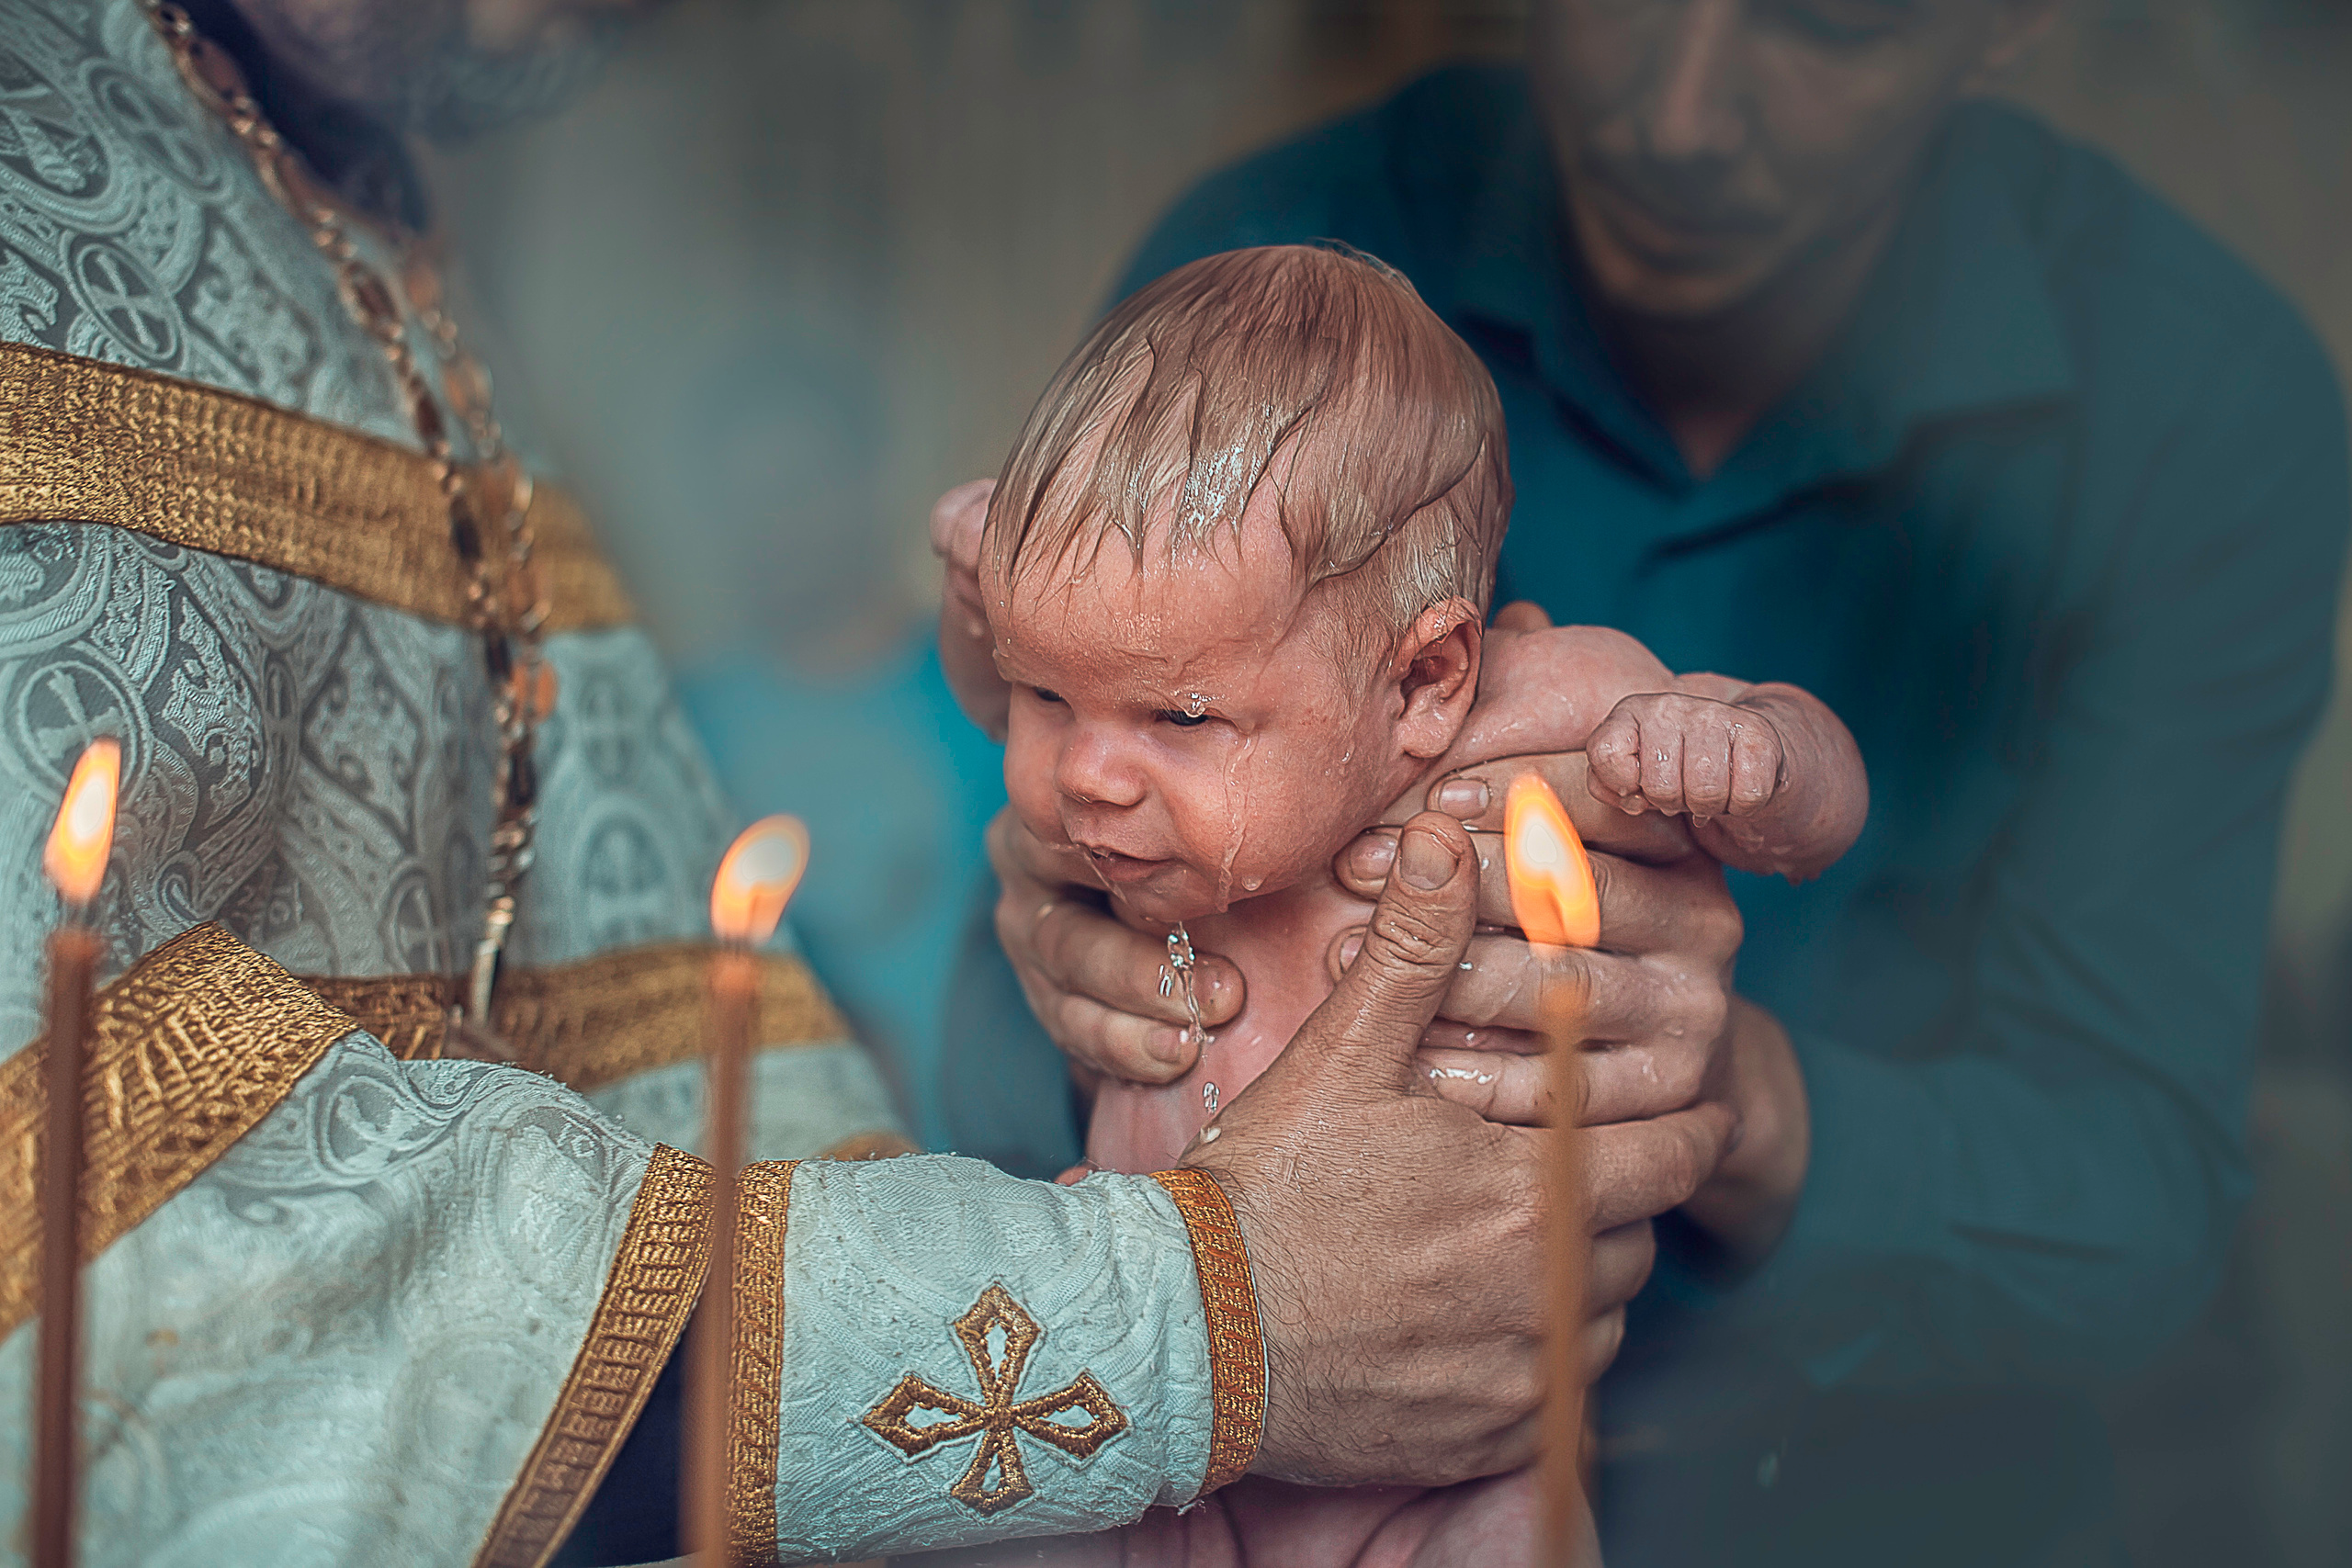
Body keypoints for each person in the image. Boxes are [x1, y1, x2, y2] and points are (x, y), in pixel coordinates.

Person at [0, 2, 1598, 1562]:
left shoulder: (343, 183)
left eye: (1175, 718)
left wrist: (1660, 1068)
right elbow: (122, 1271)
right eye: (1048, 699)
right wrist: (1194, 1314)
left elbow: (681, 1053)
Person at [944, 0, 2352, 1561]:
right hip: (1200, 1416)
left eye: (1829, 26)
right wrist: (1057, 915)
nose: (1673, 115)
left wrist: (1729, 1074)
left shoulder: (2193, 401)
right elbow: (973, 1003)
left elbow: (2131, 1209)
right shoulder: (1254, 280)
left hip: (1856, 1497)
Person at [926, 242, 1870, 1566]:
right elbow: (994, 673)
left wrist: (1754, 756)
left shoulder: (1540, 718)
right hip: (1152, 1420)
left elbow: (1822, 803)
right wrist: (982, 605)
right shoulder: (1136, 795)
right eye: (1047, 697)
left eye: (1179, 715)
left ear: (1424, 680)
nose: (1086, 777)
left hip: (1447, 1472)